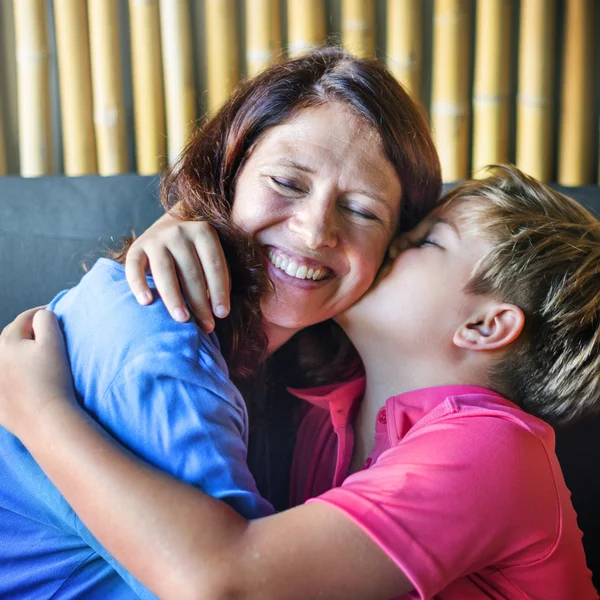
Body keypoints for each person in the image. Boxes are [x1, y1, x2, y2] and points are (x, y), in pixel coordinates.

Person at [1, 166, 598, 600]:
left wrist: (39, 411)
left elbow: (226, 584)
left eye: (426, 243)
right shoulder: (329, 401)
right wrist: (179, 231)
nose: (390, 245)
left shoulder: (495, 451)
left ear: (485, 325)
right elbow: (266, 274)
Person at [0, 48, 442, 599]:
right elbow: (233, 588)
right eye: (287, 182)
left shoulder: (305, 356)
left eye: (361, 211)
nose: (313, 233)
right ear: (227, 174)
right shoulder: (161, 345)